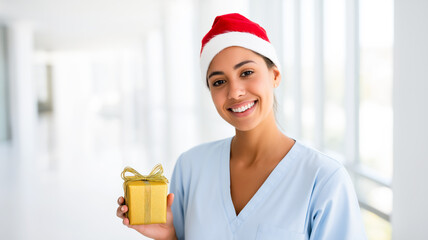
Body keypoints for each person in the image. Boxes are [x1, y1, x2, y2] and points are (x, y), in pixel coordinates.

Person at [117, 13, 367, 240]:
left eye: (246, 72)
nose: (235, 91)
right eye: (219, 81)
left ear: (275, 75)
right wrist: (170, 236)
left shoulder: (323, 180)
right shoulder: (190, 167)